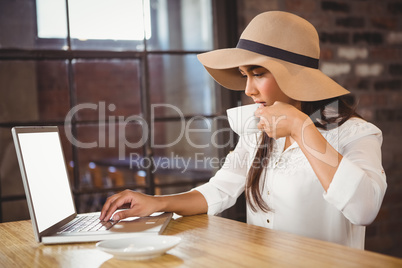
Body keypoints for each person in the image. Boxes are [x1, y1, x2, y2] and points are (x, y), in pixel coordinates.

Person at [100, 11, 387, 249]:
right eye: (245, 75)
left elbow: (364, 210)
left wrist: (301, 127)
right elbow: (220, 189)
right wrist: (156, 203)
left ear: (297, 77)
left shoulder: (357, 134)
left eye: (258, 74)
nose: (248, 90)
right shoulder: (256, 130)